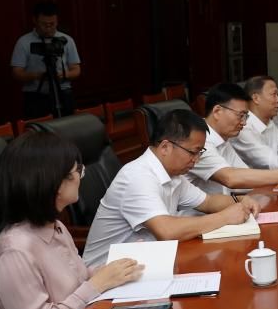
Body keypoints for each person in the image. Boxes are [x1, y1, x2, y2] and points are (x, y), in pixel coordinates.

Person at [0, 132, 144, 309]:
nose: (81, 176)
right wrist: (97, 284)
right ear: (55, 184)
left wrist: (109, 270)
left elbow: (75, 279)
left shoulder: (55, 226)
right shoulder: (15, 251)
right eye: (77, 171)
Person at [82, 110, 262, 265]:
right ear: (165, 147)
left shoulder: (173, 174)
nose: (196, 160)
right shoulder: (138, 176)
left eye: (200, 153)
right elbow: (167, 231)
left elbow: (208, 202)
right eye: (193, 152)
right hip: (107, 275)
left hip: (148, 263)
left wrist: (239, 200)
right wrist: (224, 217)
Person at [188, 83, 278, 195]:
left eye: (246, 116)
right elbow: (231, 178)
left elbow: (244, 174)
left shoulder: (223, 139)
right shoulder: (198, 141)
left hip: (226, 206)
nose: (244, 123)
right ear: (217, 111)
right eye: (240, 115)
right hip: (200, 214)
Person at [10, 1, 81, 118]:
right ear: (35, 20)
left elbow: (76, 69)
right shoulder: (24, 42)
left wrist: (63, 75)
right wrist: (37, 75)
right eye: (44, 24)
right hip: (36, 96)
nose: (48, 28)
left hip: (63, 93)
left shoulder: (66, 40)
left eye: (52, 24)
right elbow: (16, 73)